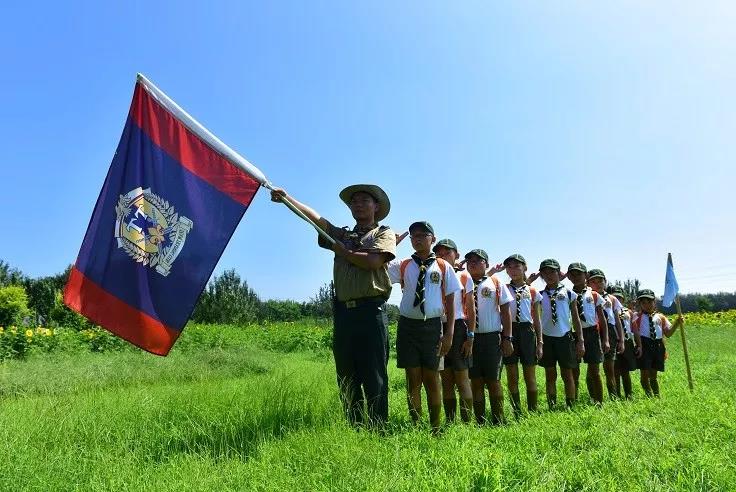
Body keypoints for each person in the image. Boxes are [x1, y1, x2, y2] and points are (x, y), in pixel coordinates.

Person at [270, 184, 396, 428]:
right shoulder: (343, 235)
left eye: (364, 200)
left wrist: (344, 252)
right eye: (354, 201)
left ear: (376, 207)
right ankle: (355, 426)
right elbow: (316, 219)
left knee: (374, 373)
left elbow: (373, 261)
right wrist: (288, 199)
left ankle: (379, 428)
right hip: (344, 313)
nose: (357, 204)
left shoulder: (383, 233)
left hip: (371, 312)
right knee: (347, 374)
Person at [388, 222, 461, 433]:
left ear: (433, 239)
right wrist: (392, 244)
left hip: (432, 327)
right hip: (407, 326)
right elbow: (379, 266)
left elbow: (450, 301)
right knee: (413, 378)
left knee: (432, 377)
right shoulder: (403, 265)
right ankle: (416, 425)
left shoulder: (443, 266)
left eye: (422, 235)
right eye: (413, 236)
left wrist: (449, 334)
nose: (417, 238)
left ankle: (436, 426)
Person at [465, 249, 513, 424]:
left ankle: (498, 419)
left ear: (486, 263)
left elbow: (506, 311)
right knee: (475, 381)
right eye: (469, 260)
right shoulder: (463, 281)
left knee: (494, 380)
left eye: (478, 260)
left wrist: (507, 338)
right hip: (470, 340)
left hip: (492, 338)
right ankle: (480, 421)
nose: (473, 263)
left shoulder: (495, 282)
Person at [433, 239, 476, 424]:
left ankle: (467, 422)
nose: (442, 256)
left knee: (462, 378)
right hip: (437, 327)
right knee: (446, 378)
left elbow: (471, 309)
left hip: (458, 328)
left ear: (457, 255)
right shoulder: (432, 273)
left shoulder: (465, 276)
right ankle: (450, 421)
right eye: (439, 253)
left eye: (447, 252)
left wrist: (470, 336)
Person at [534, 259, 584, 409]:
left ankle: (571, 405)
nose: (549, 275)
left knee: (567, 374)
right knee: (550, 375)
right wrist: (539, 341)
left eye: (552, 272)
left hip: (565, 337)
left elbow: (575, 319)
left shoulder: (569, 293)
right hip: (547, 338)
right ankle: (552, 405)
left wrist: (580, 340)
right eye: (545, 273)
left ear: (559, 273)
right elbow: (536, 318)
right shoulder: (539, 295)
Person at [501, 254, 543, 416]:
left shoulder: (532, 291)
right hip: (509, 331)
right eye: (509, 267)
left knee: (529, 374)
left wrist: (540, 342)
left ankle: (532, 410)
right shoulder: (503, 289)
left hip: (527, 331)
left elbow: (537, 319)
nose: (513, 270)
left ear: (525, 268)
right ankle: (516, 410)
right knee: (512, 374)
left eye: (517, 266)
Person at [567, 262, 607, 405]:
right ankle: (574, 401)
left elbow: (602, 318)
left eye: (579, 273)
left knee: (595, 371)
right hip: (573, 333)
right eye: (572, 274)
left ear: (586, 275)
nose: (576, 277)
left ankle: (598, 401)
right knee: (574, 370)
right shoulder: (566, 294)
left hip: (592, 333)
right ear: (568, 277)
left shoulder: (594, 295)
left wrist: (606, 339)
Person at [632, 289, 684, 397]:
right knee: (645, 374)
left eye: (649, 302)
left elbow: (668, 333)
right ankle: (649, 395)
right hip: (644, 345)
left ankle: (656, 396)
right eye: (643, 303)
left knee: (653, 375)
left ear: (654, 302)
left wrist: (677, 323)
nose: (647, 305)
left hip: (658, 346)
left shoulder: (660, 317)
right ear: (640, 304)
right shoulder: (636, 317)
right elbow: (632, 329)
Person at [587, 269, 625, 399]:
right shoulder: (587, 297)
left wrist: (622, 340)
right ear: (588, 282)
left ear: (605, 281)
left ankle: (614, 396)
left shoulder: (612, 299)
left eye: (600, 281)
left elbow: (617, 320)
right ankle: (594, 397)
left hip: (611, 331)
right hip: (594, 331)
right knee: (592, 367)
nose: (597, 284)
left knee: (609, 367)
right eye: (593, 281)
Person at [610, 286, 637, 398]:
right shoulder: (608, 311)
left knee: (625, 371)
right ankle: (616, 395)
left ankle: (628, 394)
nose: (617, 300)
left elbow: (634, 329)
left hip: (627, 342)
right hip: (614, 342)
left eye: (619, 298)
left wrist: (638, 344)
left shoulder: (628, 312)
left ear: (623, 299)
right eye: (615, 297)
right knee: (615, 371)